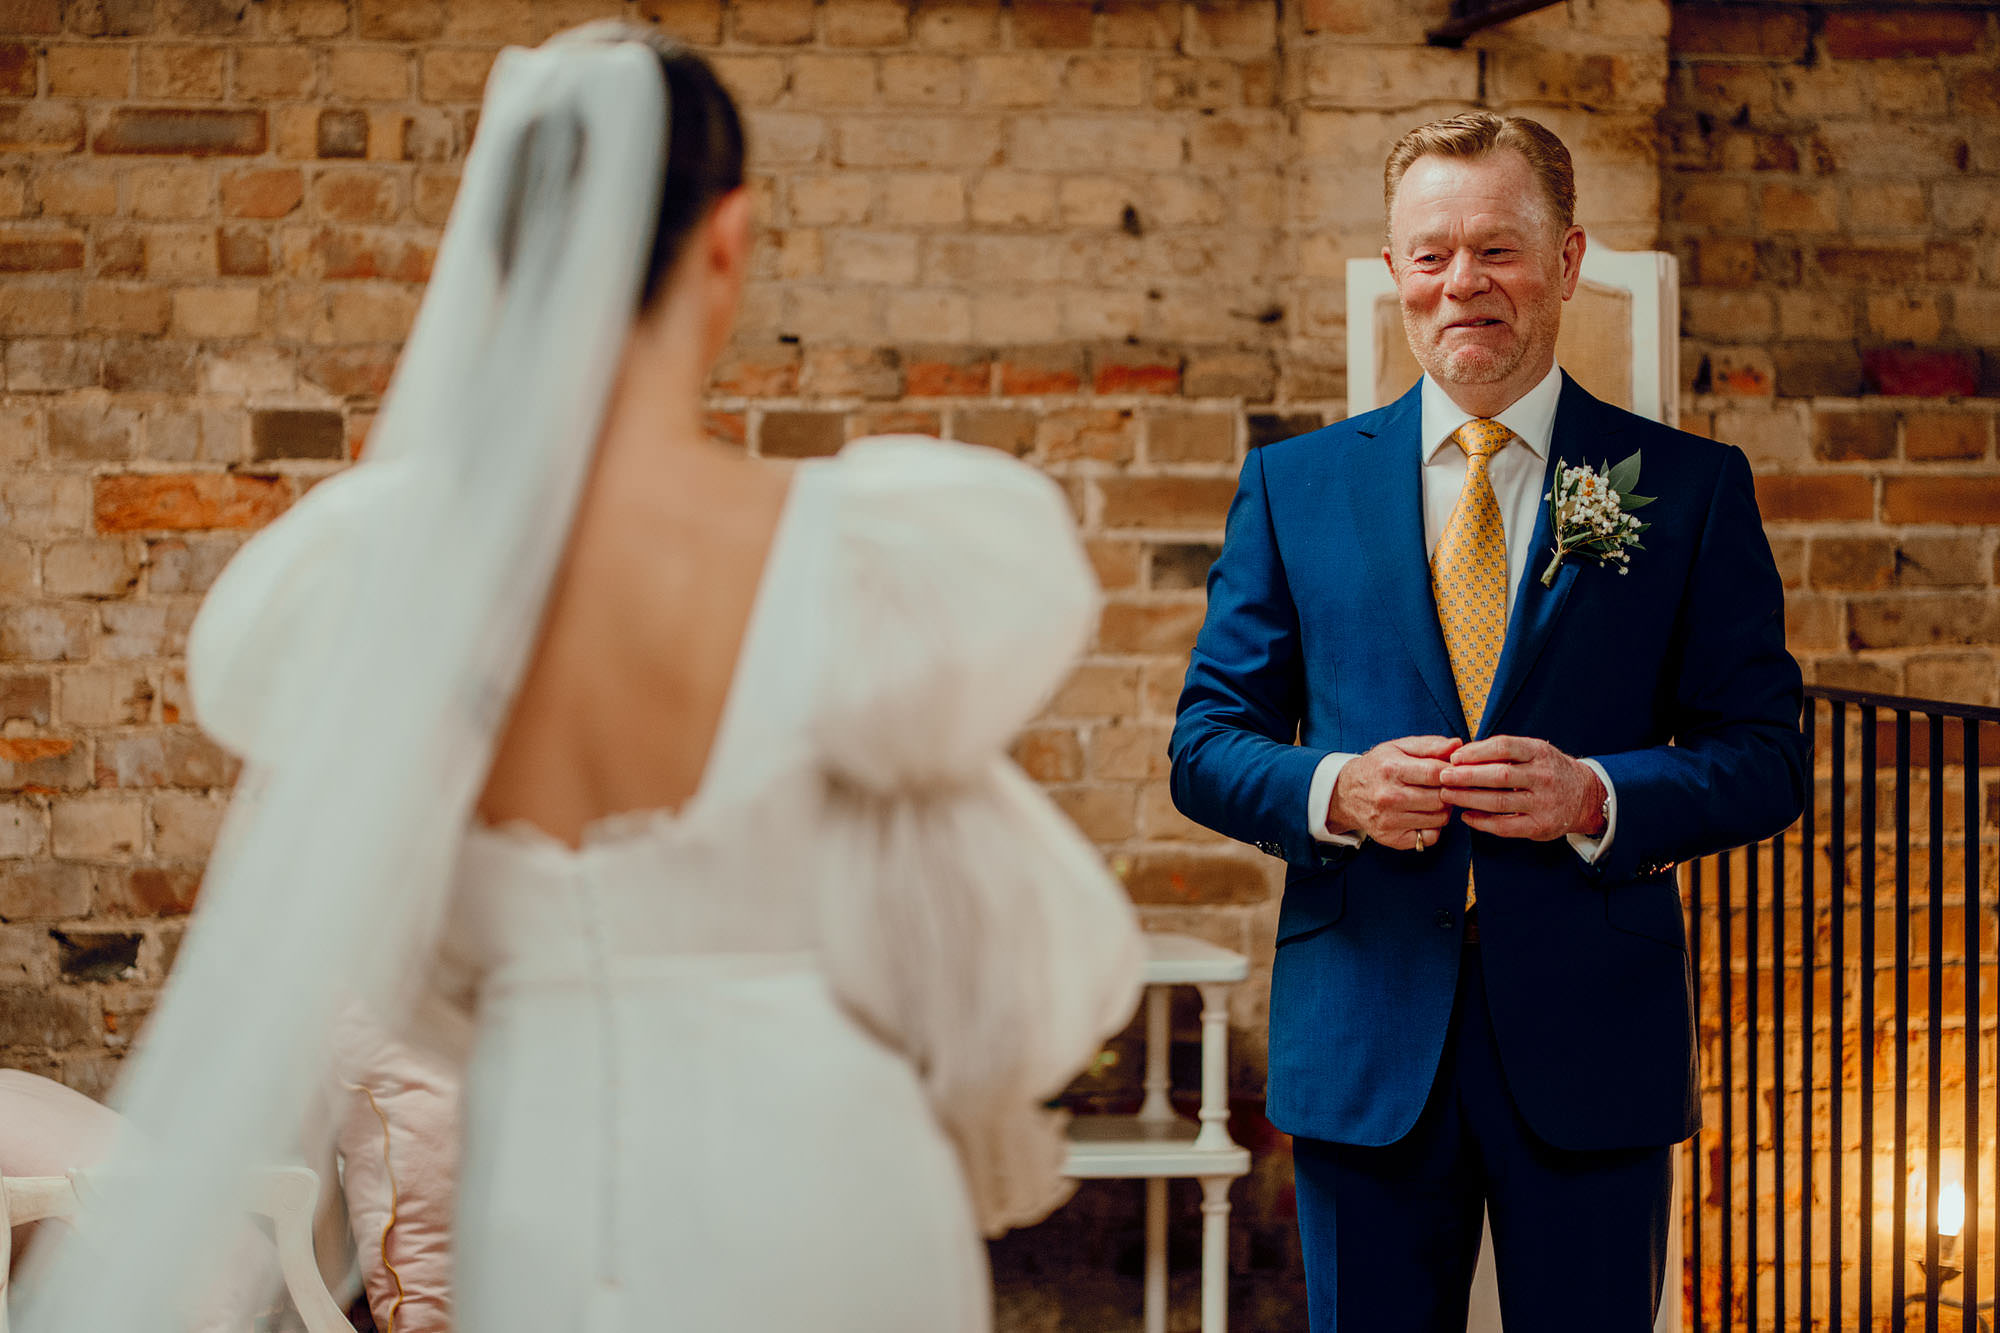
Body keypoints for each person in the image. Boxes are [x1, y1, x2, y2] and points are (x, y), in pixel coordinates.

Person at [18, 25, 1141, 1333]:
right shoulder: (863, 552)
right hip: (823, 1178)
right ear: (728, 238)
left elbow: (396, 959)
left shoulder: (373, 574)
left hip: (538, 1184)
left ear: (498, 252)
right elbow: (1011, 968)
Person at [1169, 111, 1807, 1330]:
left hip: (1592, 1039)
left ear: (1564, 261)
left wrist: (1595, 795)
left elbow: (1765, 756)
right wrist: (1335, 789)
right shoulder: (1293, 486)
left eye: (1497, 249)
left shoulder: (1686, 488)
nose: (1461, 282)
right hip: (1362, 1036)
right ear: (1394, 270)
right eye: (1430, 253)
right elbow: (1204, 744)